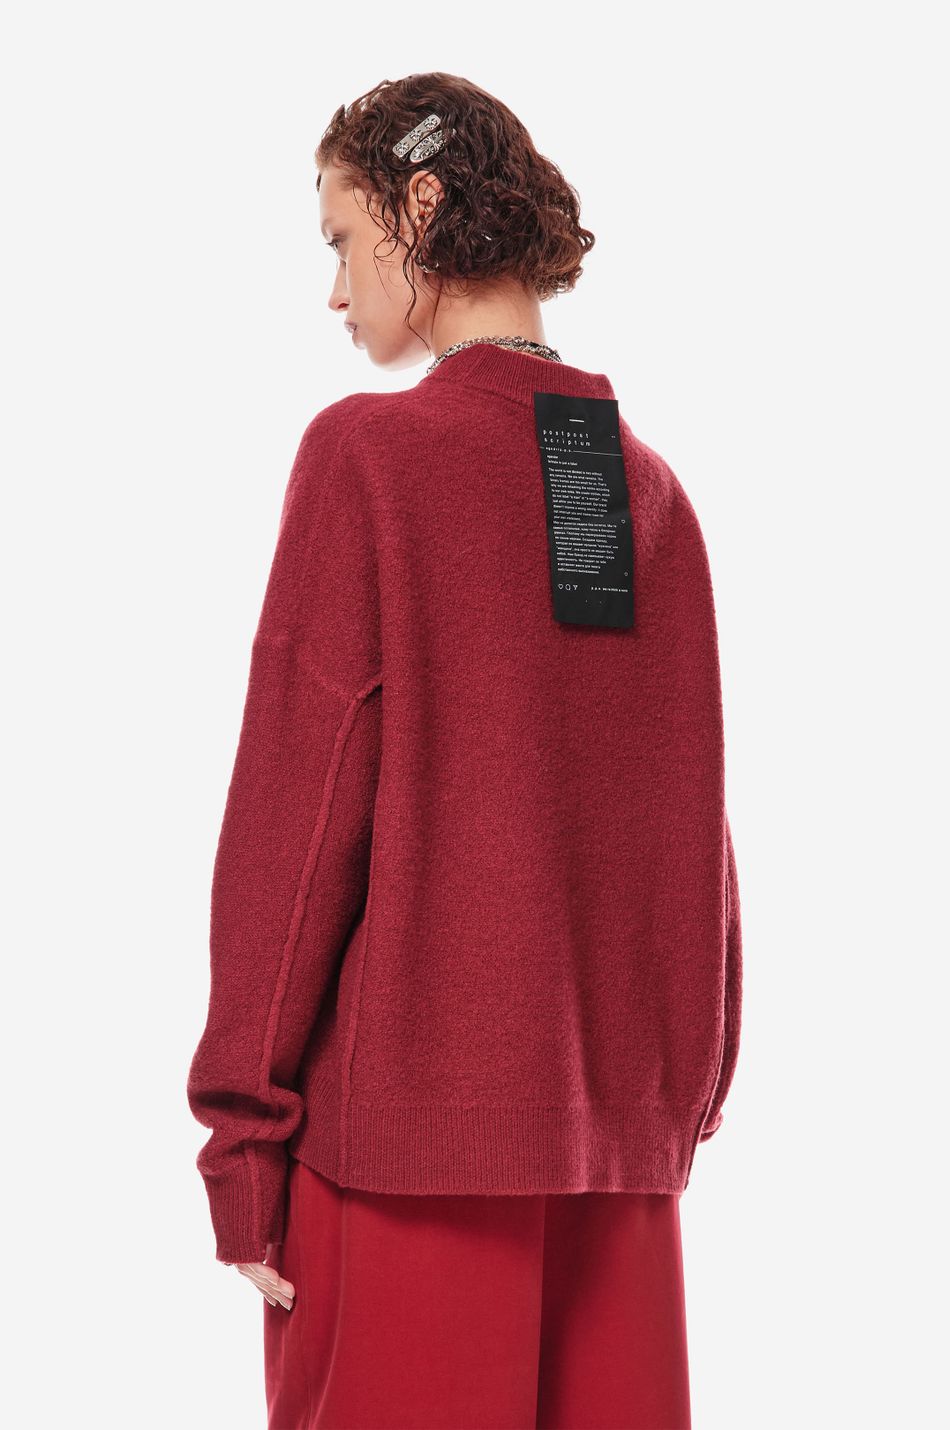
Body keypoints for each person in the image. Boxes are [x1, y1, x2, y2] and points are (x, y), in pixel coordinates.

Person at [186, 71, 742, 1430]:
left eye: (341, 239)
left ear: (419, 207)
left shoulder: (371, 460)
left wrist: (241, 1139)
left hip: (405, 1169)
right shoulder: (647, 493)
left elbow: (296, 819)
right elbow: (693, 830)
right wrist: (673, 1100)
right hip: (617, 1179)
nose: (334, 290)